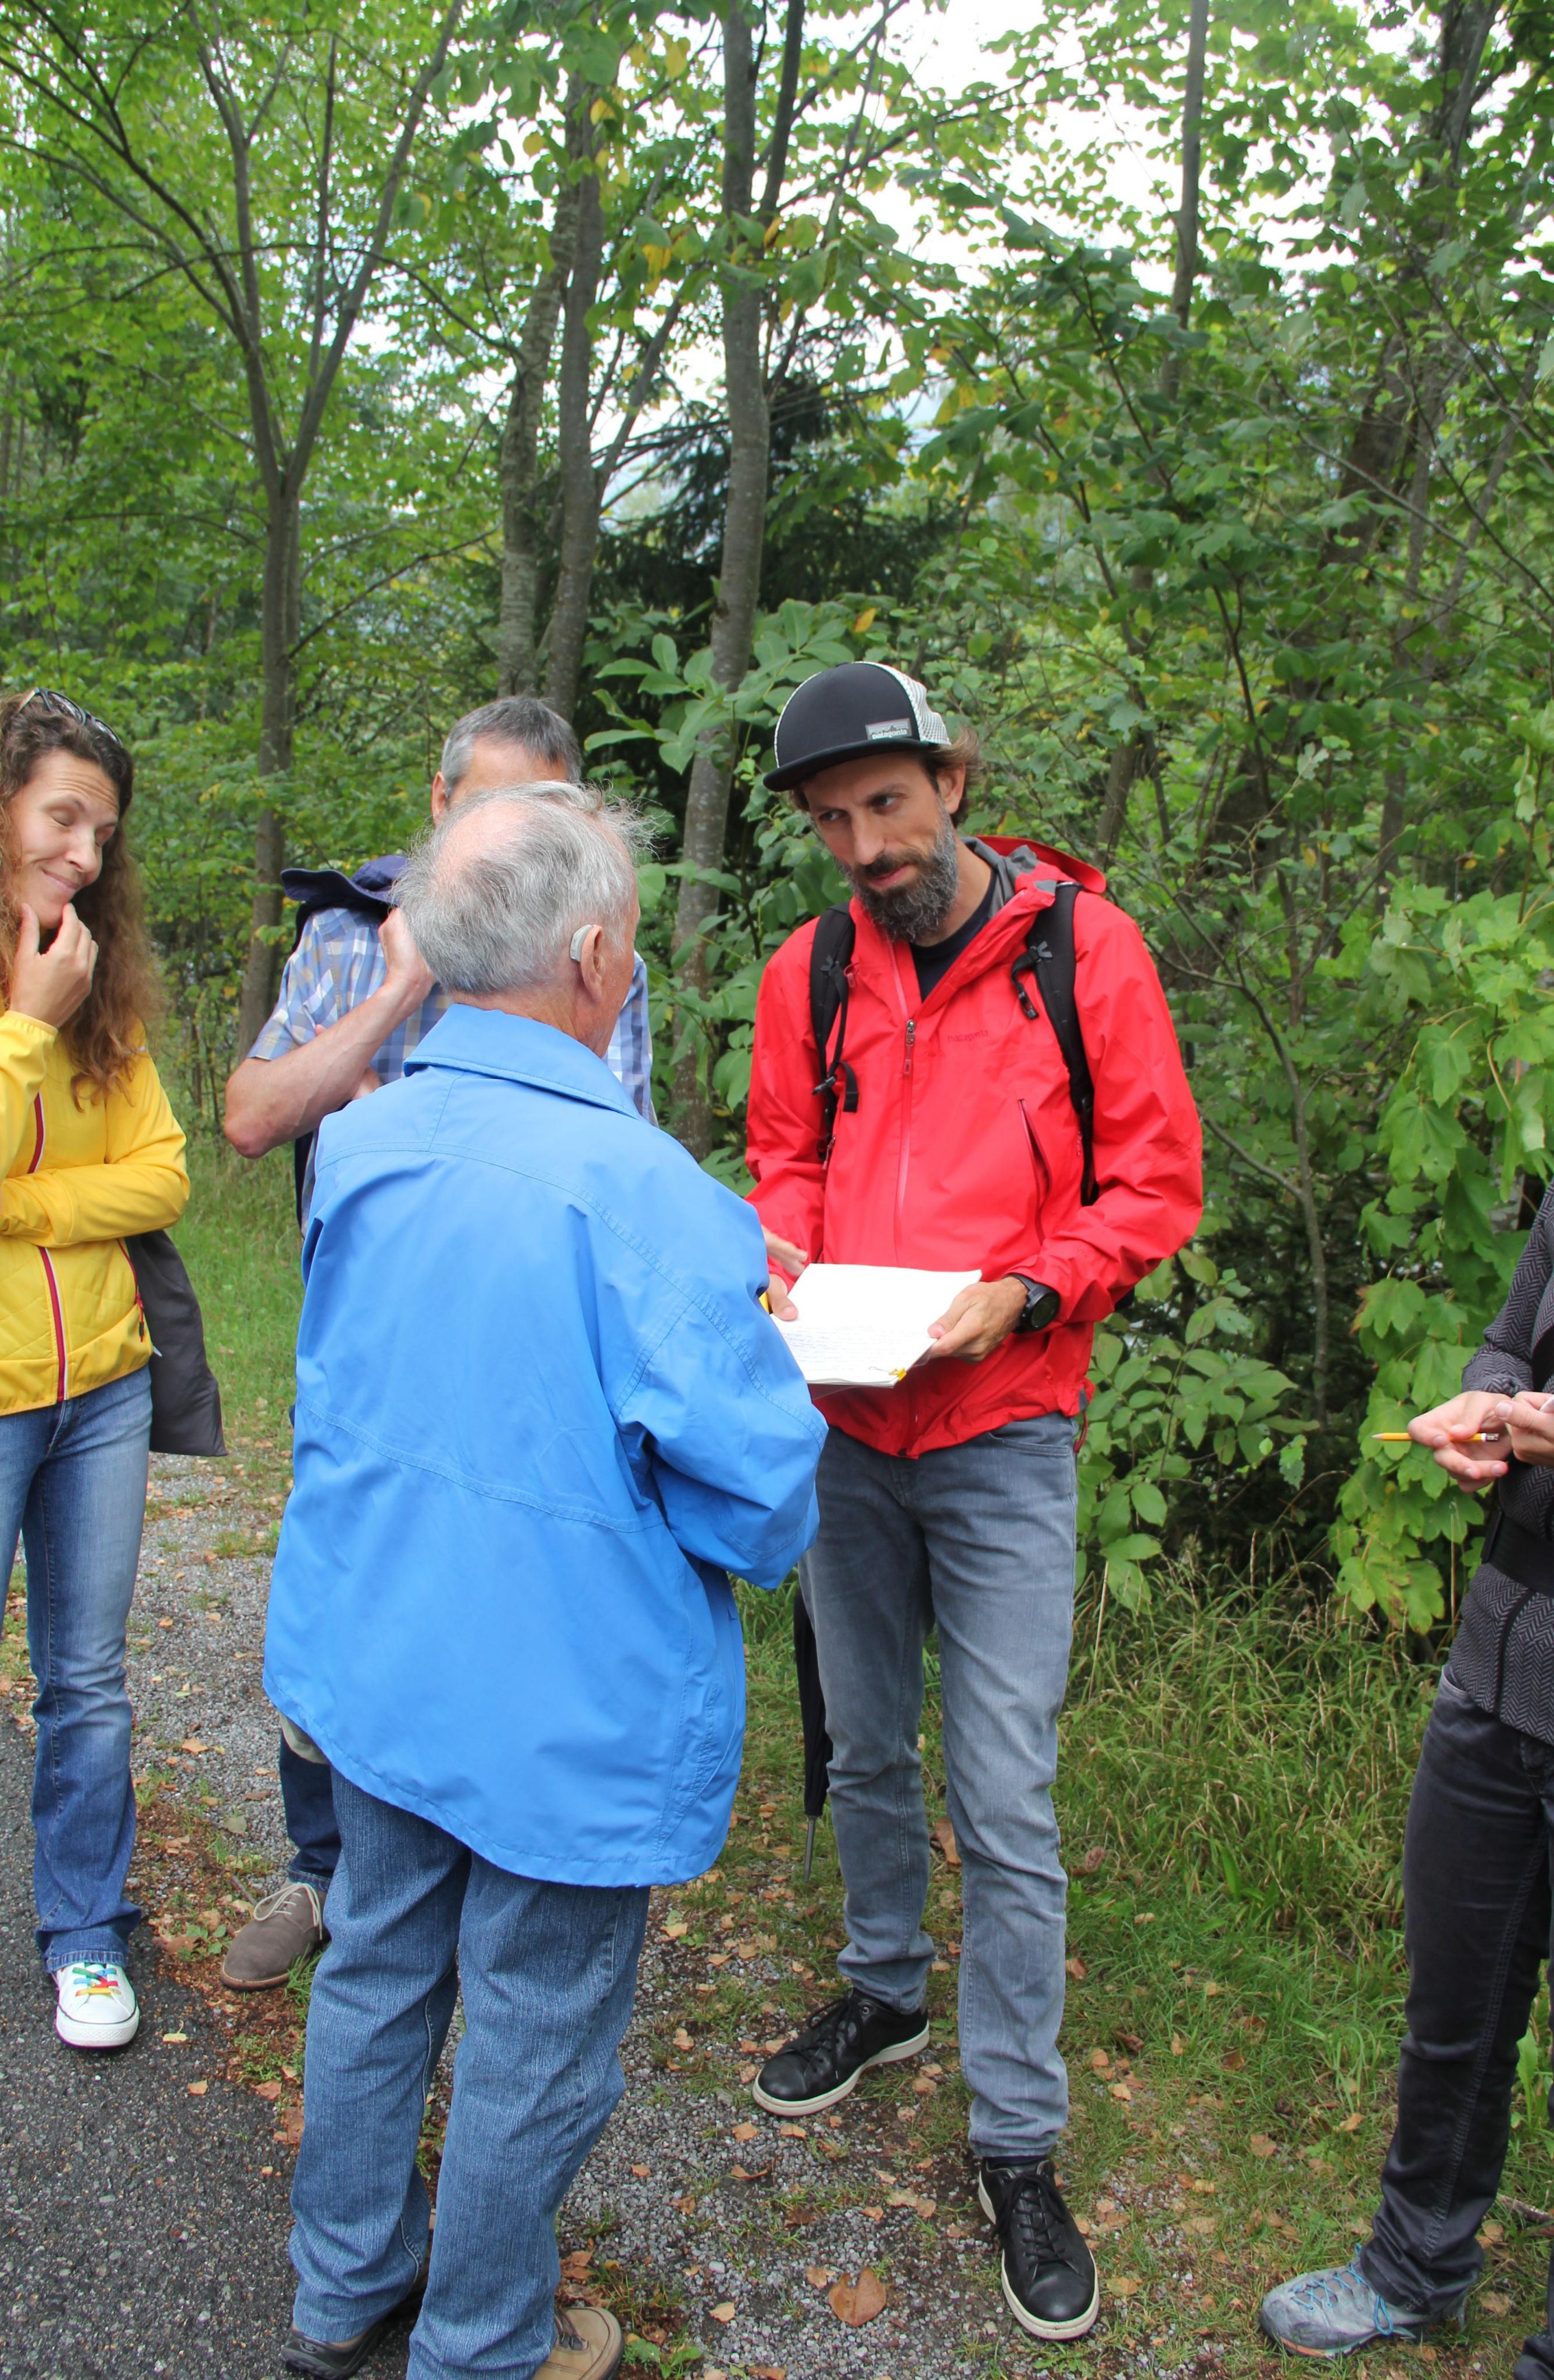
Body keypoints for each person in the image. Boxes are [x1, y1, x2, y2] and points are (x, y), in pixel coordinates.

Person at [263, 784, 824, 2380]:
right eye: (629, 933)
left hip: (383, 1655)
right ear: (590, 955)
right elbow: (759, 1509)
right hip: (566, 1707)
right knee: (532, 2027)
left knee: (377, 1960)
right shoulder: (656, 1201)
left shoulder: (363, 1138)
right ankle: (482, 2340)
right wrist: (757, 1346)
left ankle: (339, 2285)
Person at [742, 660, 1202, 2343]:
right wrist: (785, 1258)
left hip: (1007, 1429)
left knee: (1004, 1790)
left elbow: (1154, 1182)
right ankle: (884, 1991)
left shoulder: (1088, 953)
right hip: (847, 1426)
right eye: (833, 822)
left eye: (887, 803)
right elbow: (785, 1157)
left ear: (949, 778)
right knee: (865, 1742)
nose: (867, 845)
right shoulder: (809, 975)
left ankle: (1018, 2138)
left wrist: (1030, 1287)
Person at [219, 695, 656, 1992]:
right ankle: (321, 1869)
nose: (513, 837)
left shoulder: (597, 954)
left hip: (524, 1341)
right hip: (366, 1338)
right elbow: (252, 1114)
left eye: (543, 810)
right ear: (438, 802)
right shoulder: (347, 936)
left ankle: (464, 1869)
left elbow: (617, 1147)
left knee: (494, 1596)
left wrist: (371, 1104)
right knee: (347, 1591)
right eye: (490, 807)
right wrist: (406, 987)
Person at [1260, 1195, 1554, 2371]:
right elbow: (1510, 1334)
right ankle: (1412, 2266)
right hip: (1498, 1659)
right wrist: (1489, 1402)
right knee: (1455, 2010)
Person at [0, 688, 189, 2052]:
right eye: (63, 818)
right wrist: (23, 1024)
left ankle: (86, 1929)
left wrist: (27, 1204)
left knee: (89, 1681)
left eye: (103, 832)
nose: (85, 854)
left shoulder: (98, 977)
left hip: (102, 1382)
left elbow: (161, 1171)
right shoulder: (32, 994)